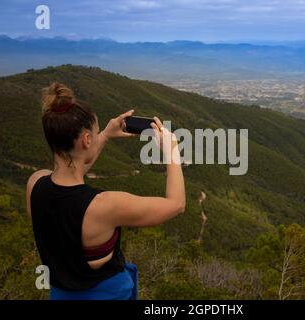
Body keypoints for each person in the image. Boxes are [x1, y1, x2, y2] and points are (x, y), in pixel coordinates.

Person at [25, 82, 185, 300]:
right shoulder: (103, 206)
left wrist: (106, 134)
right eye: (95, 131)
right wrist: (172, 151)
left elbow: (72, 169)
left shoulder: (35, 184)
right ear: (86, 139)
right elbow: (176, 205)